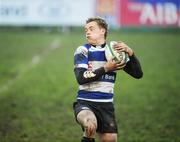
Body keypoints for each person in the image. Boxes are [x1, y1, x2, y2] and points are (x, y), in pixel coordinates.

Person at [73, 17, 143, 142]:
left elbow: (138, 74)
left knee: (110, 139)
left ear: (102, 31)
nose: (87, 32)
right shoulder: (83, 50)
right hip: (85, 102)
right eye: (86, 30)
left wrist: (130, 53)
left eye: (91, 29)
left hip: (106, 105)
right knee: (90, 125)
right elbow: (81, 78)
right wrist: (106, 68)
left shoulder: (115, 52)